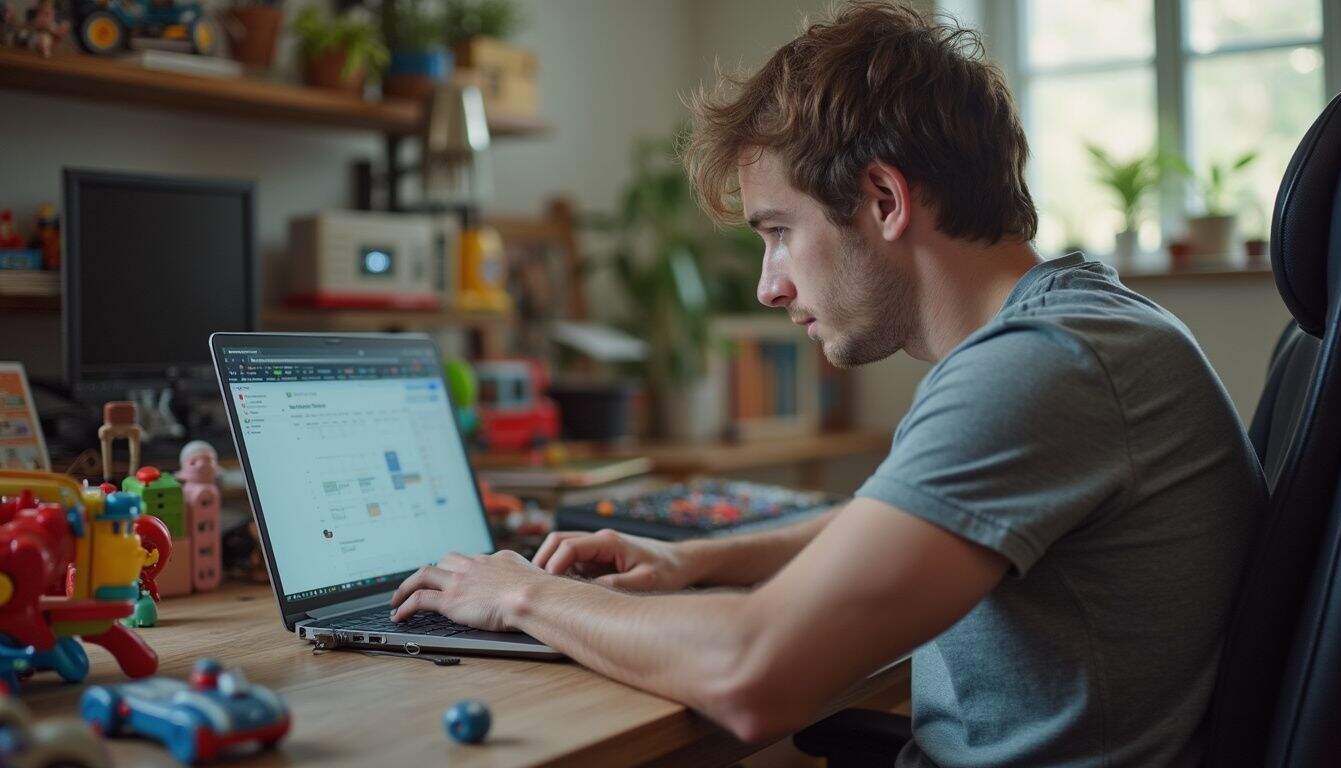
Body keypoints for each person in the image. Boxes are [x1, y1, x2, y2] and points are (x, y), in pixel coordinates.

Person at [391, 3, 1264, 765]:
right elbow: (904, 516)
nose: (769, 286)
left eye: (778, 231)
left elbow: (753, 675)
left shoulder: (1039, 369)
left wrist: (522, 594)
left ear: (883, 199)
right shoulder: (1083, 328)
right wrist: (692, 559)